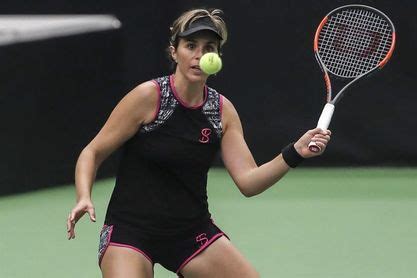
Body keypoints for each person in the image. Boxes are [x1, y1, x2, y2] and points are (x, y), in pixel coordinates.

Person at [66, 8, 331, 278]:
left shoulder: (221, 111)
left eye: (208, 48)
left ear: (216, 57)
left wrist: (294, 152)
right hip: (130, 232)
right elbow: (93, 151)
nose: (199, 55)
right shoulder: (148, 97)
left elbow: (249, 182)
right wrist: (83, 196)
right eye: (190, 46)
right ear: (174, 52)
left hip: (191, 233)